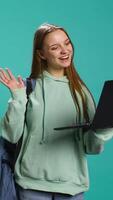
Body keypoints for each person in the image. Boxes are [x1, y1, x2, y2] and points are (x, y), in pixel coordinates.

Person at [0, 23, 113, 200]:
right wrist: (18, 97)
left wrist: (105, 127)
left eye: (67, 43)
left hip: (72, 188)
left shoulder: (81, 93)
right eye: (55, 47)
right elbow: (11, 135)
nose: (64, 50)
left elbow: (92, 147)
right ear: (41, 54)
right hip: (31, 185)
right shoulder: (28, 88)